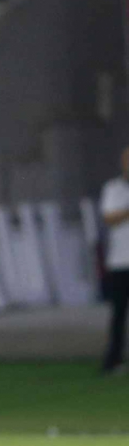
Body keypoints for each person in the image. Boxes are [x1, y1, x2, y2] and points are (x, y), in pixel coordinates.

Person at [100, 148, 129, 374]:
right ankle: (113, 359)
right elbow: (109, 218)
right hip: (120, 261)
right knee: (118, 313)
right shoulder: (113, 189)